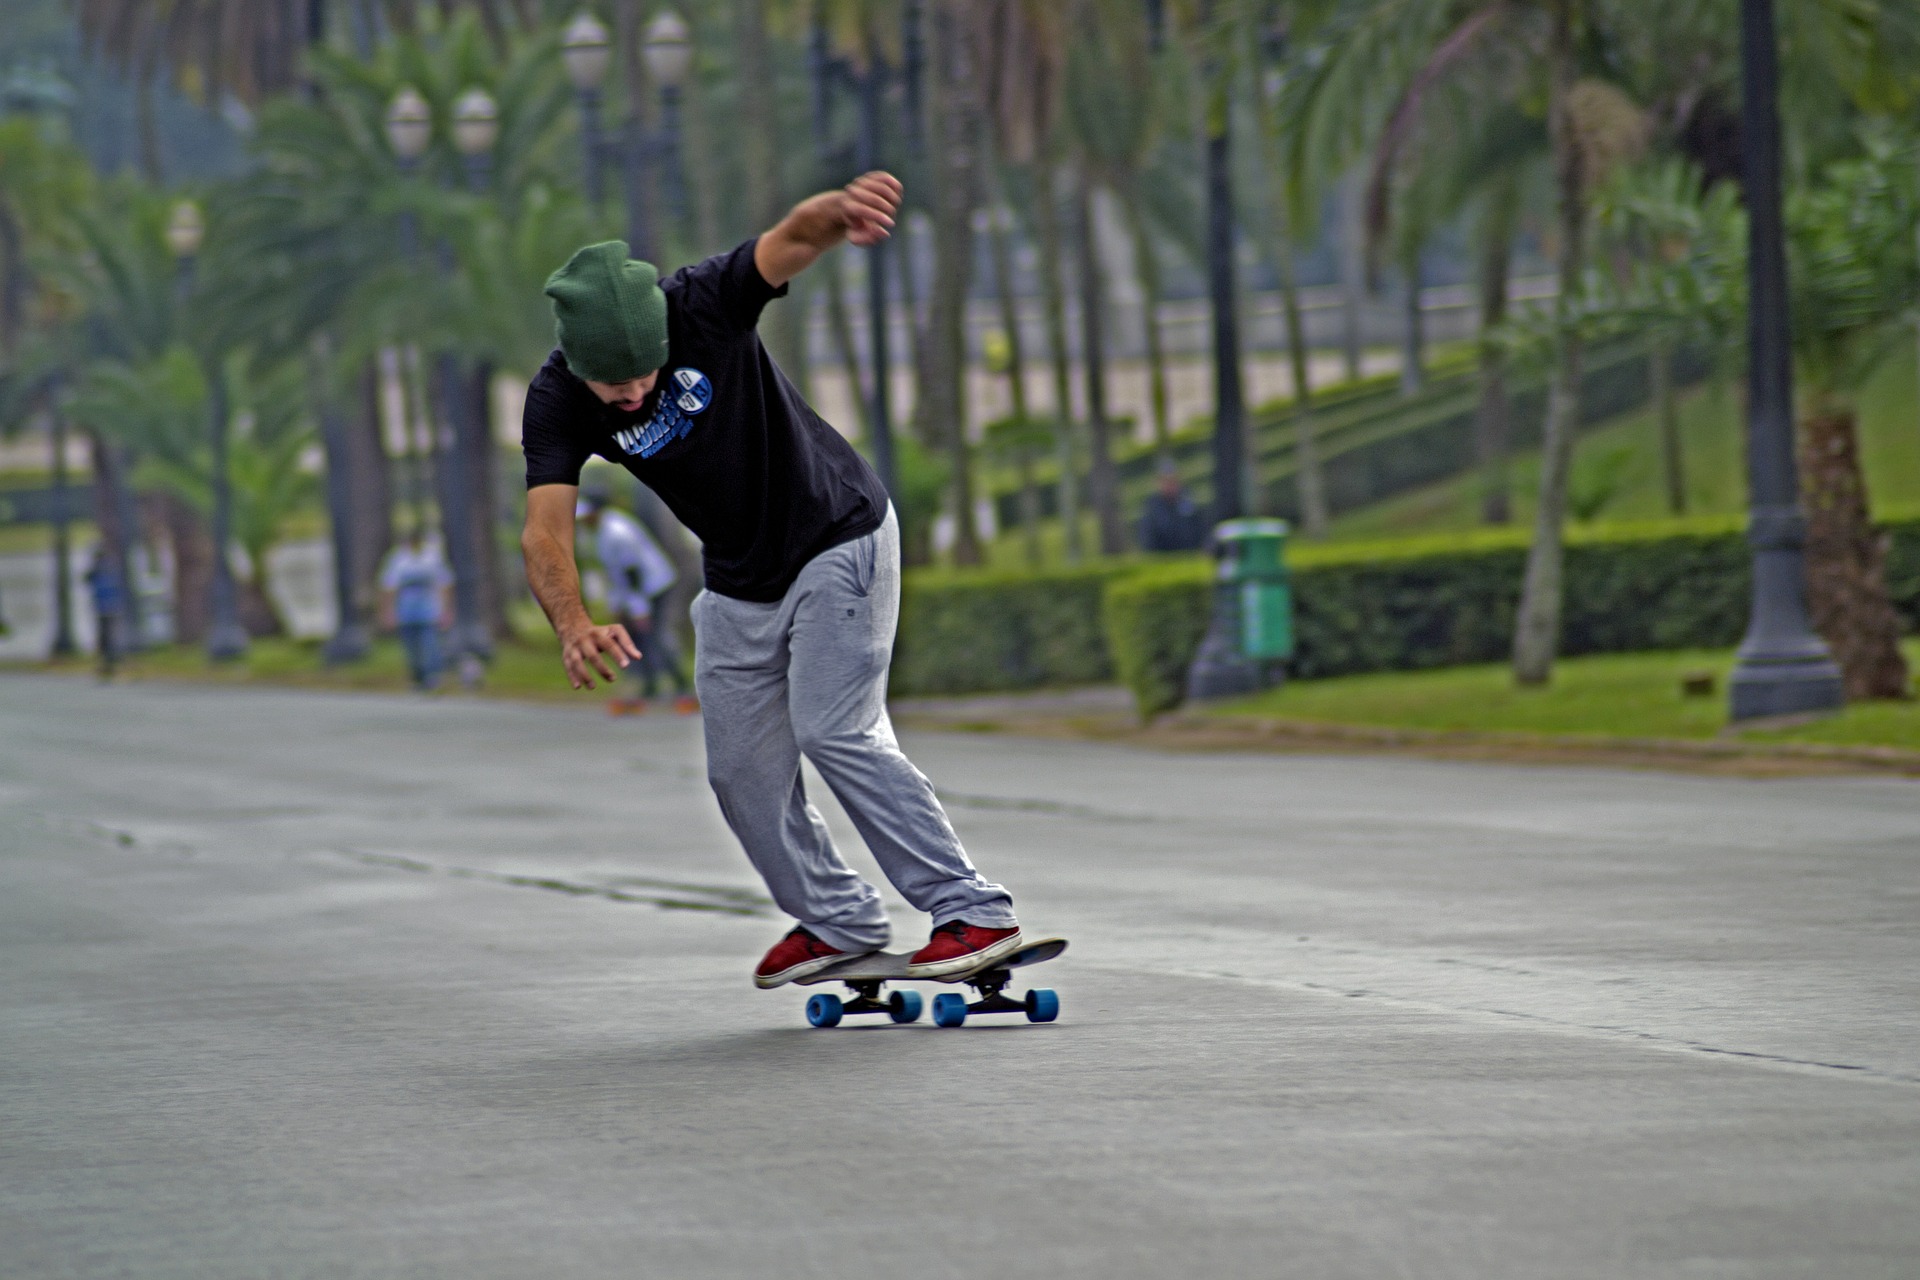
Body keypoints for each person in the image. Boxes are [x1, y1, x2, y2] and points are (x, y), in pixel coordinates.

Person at [519, 171, 1023, 987]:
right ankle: (836, 920)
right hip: (738, 579)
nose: (638, 395)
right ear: (578, 369)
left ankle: (971, 911)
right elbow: (545, 530)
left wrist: (836, 214)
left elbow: (787, 241)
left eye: (648, 375)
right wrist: (574, 625)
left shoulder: (703, 302)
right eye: (618, 391)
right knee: (739, 770)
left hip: (837, 536)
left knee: (835, 729)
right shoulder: (554, 401)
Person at [576, 489, 695, 715]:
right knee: (636, 637)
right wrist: (618, 606)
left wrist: (639, 610)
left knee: (655, 635)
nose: (582, 521)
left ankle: (681, 685)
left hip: (655, 586)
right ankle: (650, 685)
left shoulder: (617, 532)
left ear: (597, 512)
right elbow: (615, 574)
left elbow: (634, 574)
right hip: (635, 591)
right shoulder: (597, 532)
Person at [379, 530, 452, 691]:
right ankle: (417, 677)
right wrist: (388, 612)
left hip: (429, 611)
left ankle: (431, 676)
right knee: (411, 648)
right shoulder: (399, 559)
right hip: (407, 612)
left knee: (430, 645)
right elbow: (389, 587)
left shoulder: (432, 558)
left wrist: (446, 610)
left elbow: (444, 584)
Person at [1138, 462, 1209, 552]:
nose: (1170, 485)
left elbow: (1202, 529)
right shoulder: (1152, 508)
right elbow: (1148, 540)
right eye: (1166, 481)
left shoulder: (1190, 501)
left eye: (1173, 481)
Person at [84, 547, 122, 680]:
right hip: (109, 608)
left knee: (105, 638)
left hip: (104, 609)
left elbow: (86, 579)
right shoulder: (112, 569)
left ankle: (107, 664)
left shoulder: (100, 570)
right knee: (109, 637)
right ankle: (108, 664)